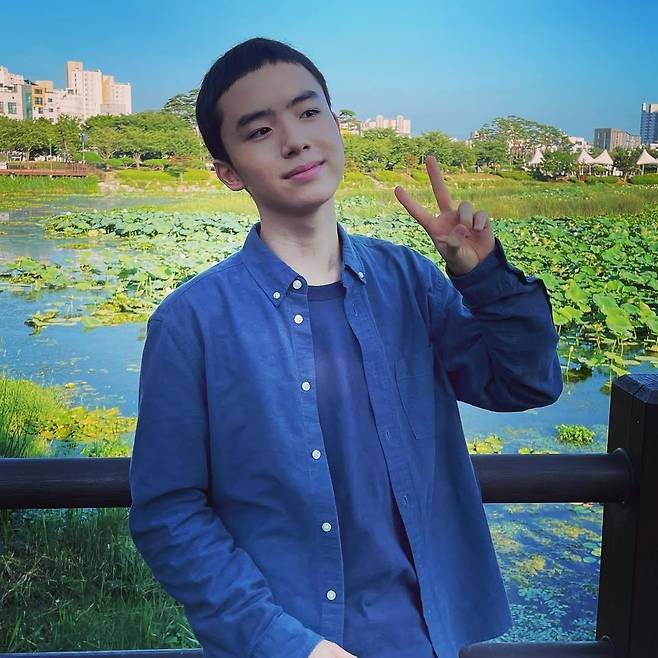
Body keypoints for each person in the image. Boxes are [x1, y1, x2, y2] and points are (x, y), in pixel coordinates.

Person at [128, 37, 563, 658]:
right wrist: (284, 644)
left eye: (309, 112)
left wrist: (485, 277)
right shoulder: (191, 323)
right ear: (227, 170)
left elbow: (526, 383)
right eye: (259, 131)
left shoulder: (410, 281)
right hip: (292, 642)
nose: (295, 140)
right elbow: (168, 513)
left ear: (336, 125)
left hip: (427, 639)